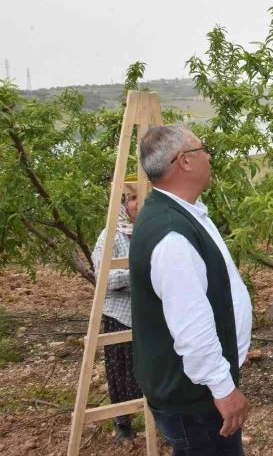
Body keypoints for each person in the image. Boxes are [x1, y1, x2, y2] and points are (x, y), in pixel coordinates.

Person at [129, 125, 253, 455]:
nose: (209, 156)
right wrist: (223, 388)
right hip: (196, 399)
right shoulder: (173, 237)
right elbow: (191, 328)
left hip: (194, 393)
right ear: (184, 161)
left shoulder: (179, 214)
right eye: (203, 150)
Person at [90, 175, 143, 442]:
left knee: (152, 369)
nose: (137, 204)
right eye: (132, 198)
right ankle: (123, 423)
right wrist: (140, 275)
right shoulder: (110, 234)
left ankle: (156, 416)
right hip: (121, 315)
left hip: (149, 314)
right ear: (123, 203)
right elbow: (105, 279)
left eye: (141, 197)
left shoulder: (151, 230)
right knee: (120, 371)